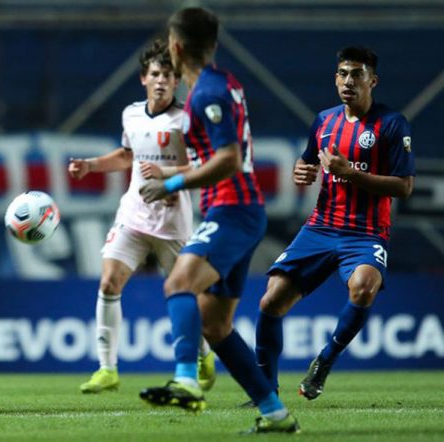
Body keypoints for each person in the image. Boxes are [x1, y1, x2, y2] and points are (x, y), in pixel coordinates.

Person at [138, 8, 299, 434]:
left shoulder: (207, 93)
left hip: (233, 209)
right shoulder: (224, 83)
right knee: (215, 323)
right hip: (237, 211)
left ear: (175, 47)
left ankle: (187, 380)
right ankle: (275, 412)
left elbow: (228, 159)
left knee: (178, 283)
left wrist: (171, 183)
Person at [254, 47, 415, 401]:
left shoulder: (391, 124)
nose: (348, 81)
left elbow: (404, 187)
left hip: (367, 232)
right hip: (321, 227)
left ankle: (325, 361)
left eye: (357, 74)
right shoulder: (324, 121)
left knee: (364, 286)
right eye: (342, 73)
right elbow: (309, 161)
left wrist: (350, 175)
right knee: (270, 302)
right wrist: (302, 168)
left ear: (372, 81)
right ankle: (265, 390)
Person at [68, 38, 217, 395]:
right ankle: (107, 369)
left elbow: (203, 163)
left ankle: (204, 353)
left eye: (168, 74)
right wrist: (90, 165)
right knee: (108, 283)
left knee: (187, 293)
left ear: (177, 80)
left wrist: (167, 175)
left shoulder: (186, 119)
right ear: (143, 79)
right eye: (155, 74)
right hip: (133, 216)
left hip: (172, 223)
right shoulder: (131, 114)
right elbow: (126, 155)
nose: (162, 80)